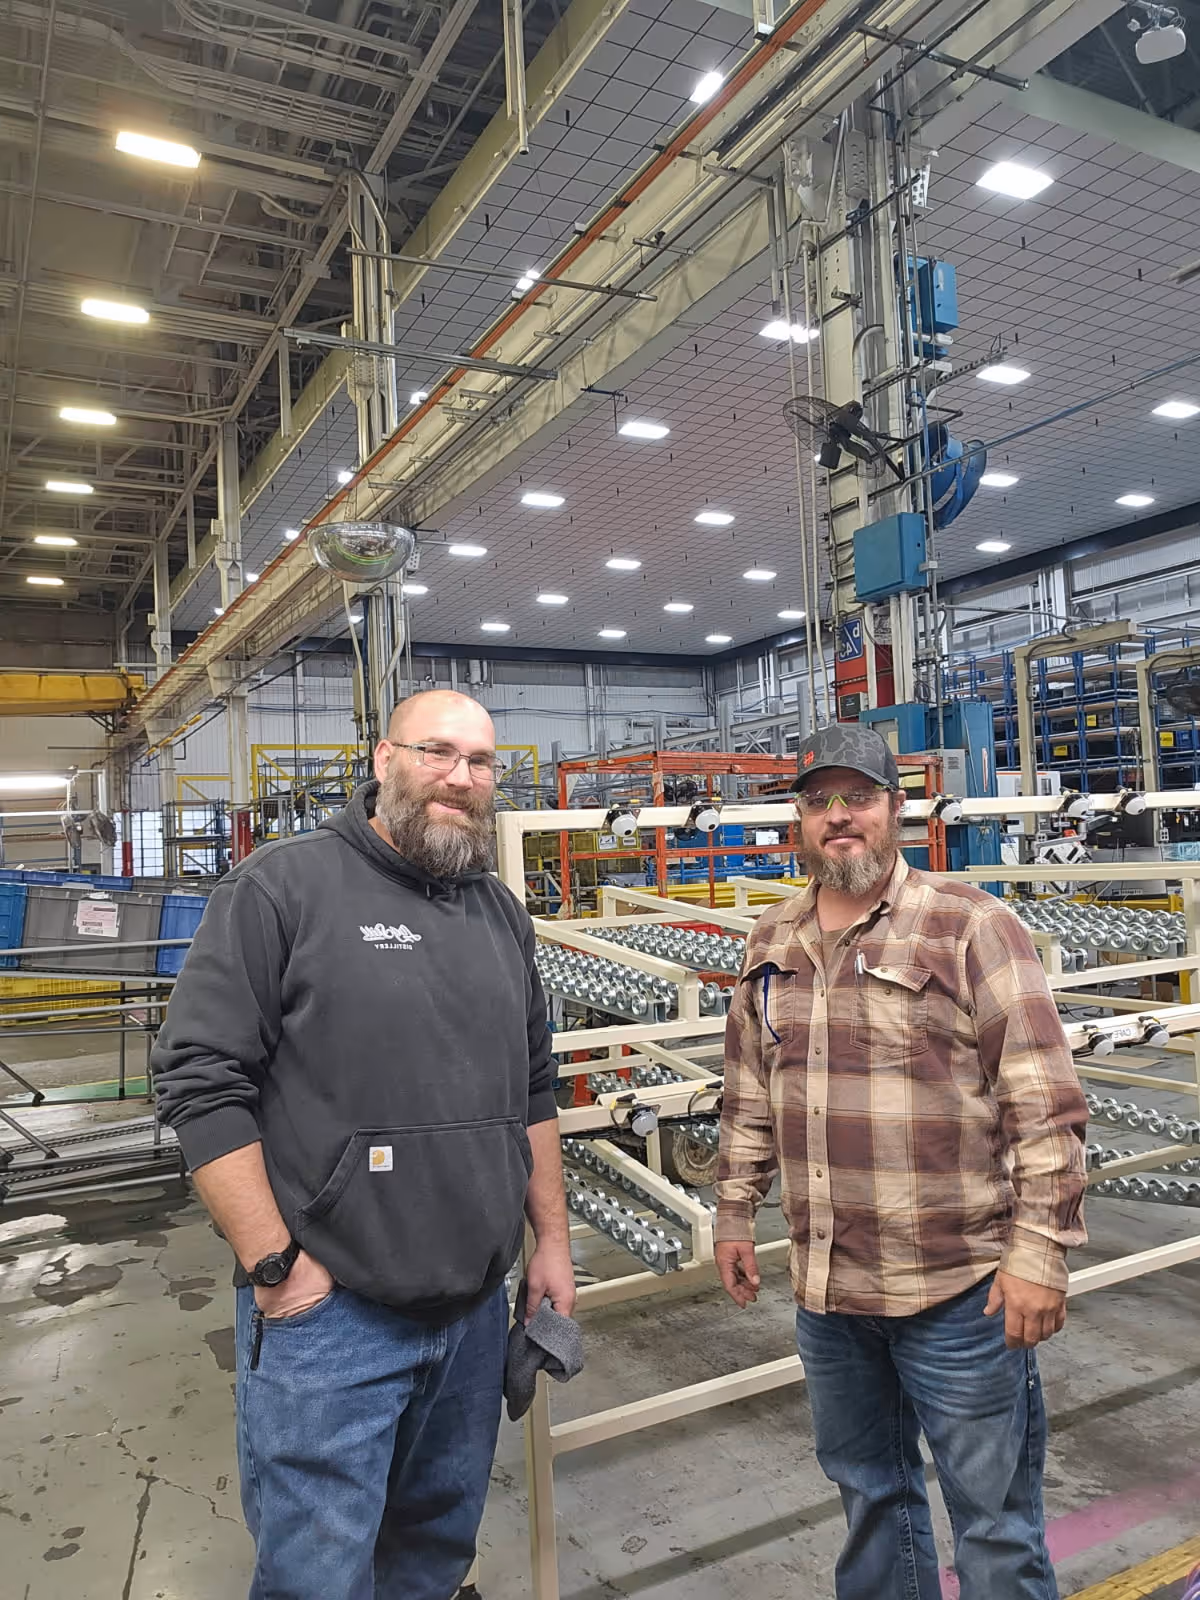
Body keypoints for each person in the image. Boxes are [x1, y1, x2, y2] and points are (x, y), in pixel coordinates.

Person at [153, 690, 574, 1600]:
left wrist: (551, 1242)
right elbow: (199, 1082)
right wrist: (277, 1267)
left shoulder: (500, 913)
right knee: (319, 1577)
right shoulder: (282, 888)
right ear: (384, 760)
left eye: (481, 761)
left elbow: (533, 1089)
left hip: (472, 1315)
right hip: (332, 1318)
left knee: (433, 1557)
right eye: (437, 752)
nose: (460, 778)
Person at [714, 723, 1087, 1600]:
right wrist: (734, 1210)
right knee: (871, 1501)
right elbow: (748, 1091)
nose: (839, 816)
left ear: (896, 810)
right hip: (829, 1296)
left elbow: (1043, 1104)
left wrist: (1040, 1252)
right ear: (799, 820)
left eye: (859, 797)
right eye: (819, 801)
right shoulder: (771, 938)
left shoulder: (971, 926)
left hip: (957, 1294)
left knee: (995, 1528)